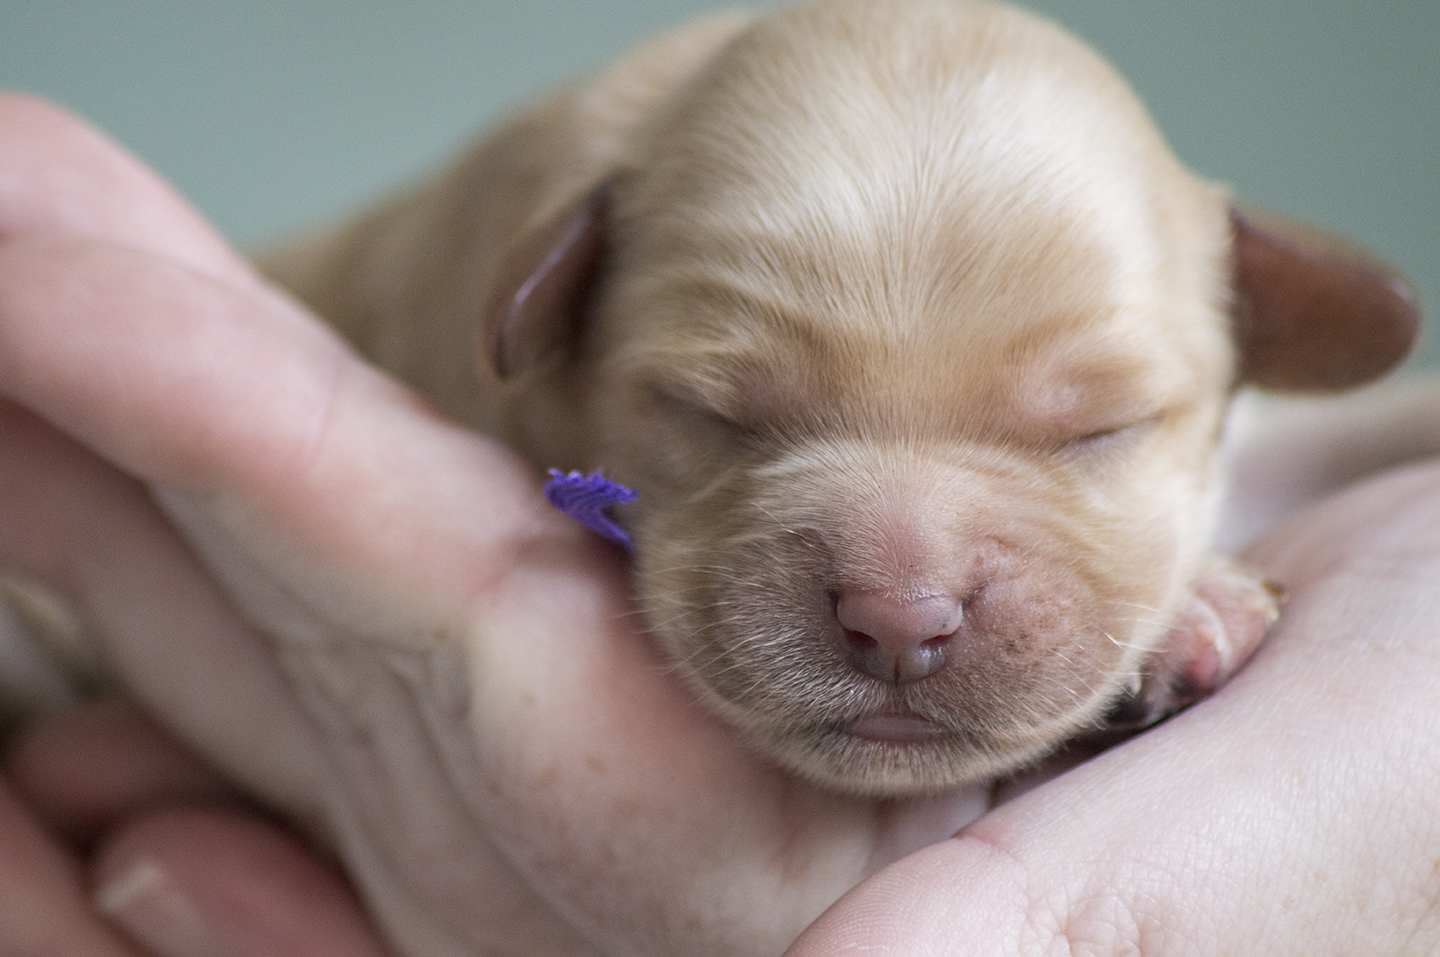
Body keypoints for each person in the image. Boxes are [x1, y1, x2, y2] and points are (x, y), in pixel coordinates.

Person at [2, 91, 1438, 956]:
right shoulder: (555, 243)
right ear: (557, 297)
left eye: (1086, 430)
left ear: (1255, 313)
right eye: (728, 416)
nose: (902, 596)